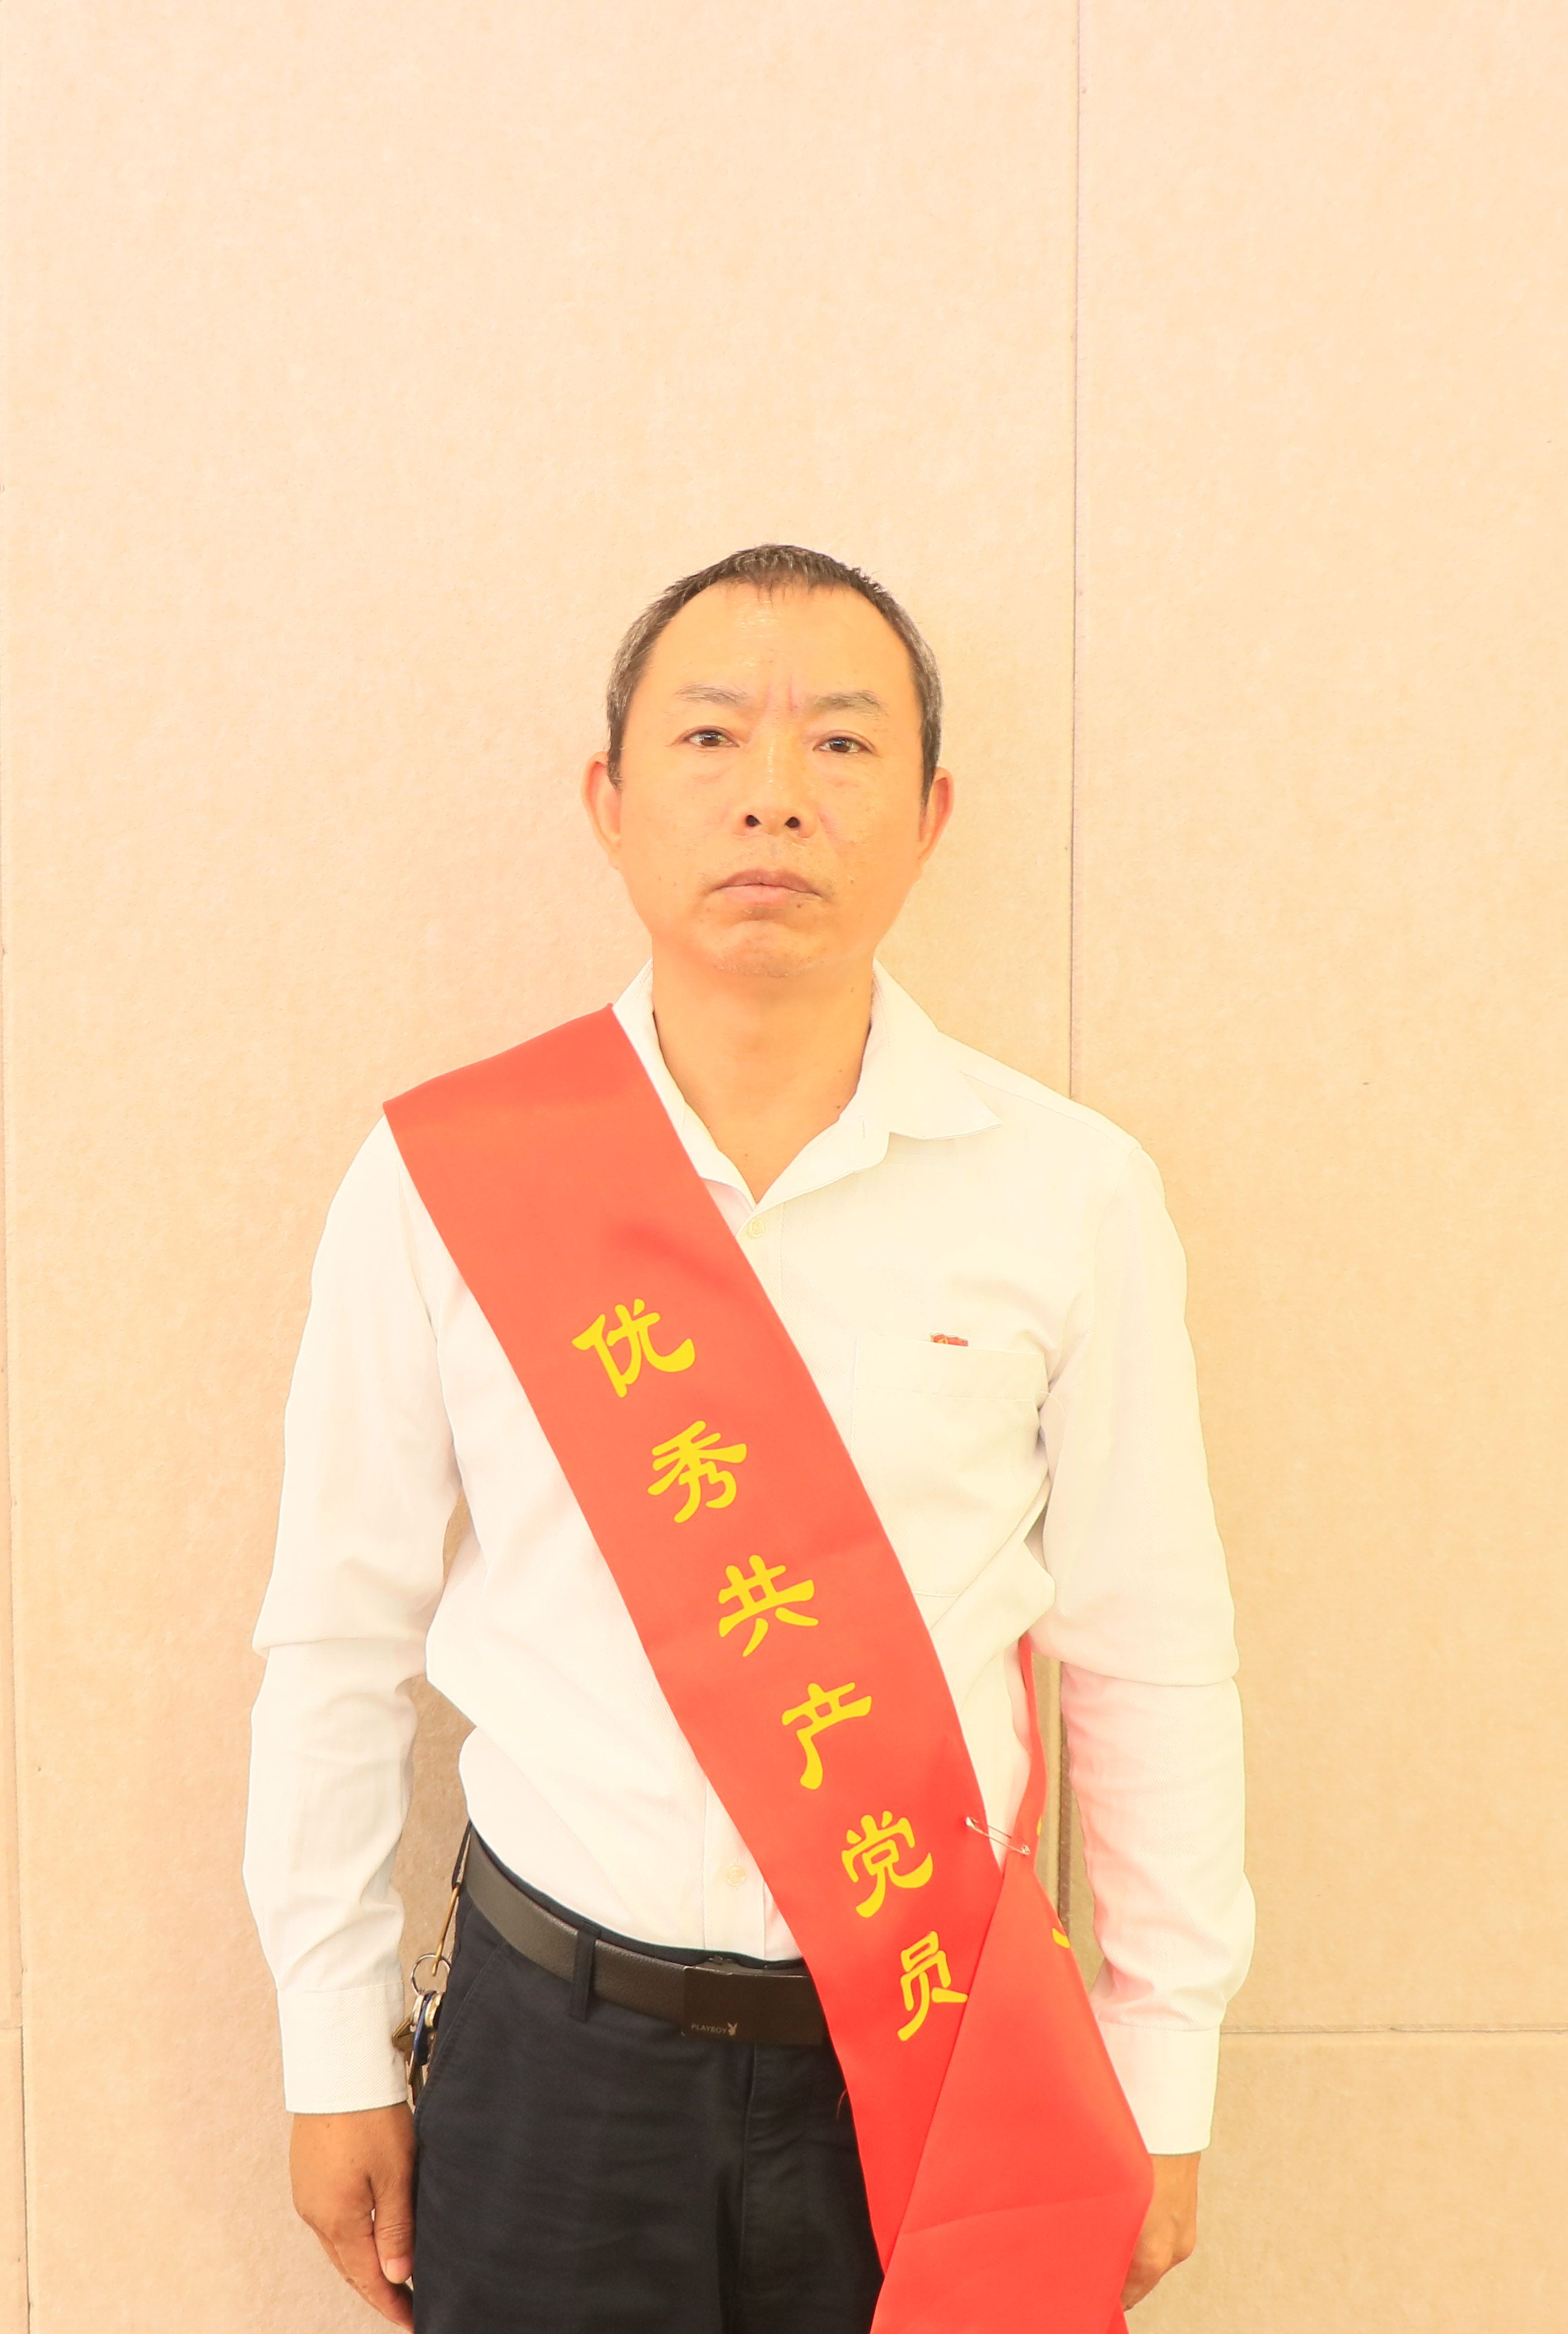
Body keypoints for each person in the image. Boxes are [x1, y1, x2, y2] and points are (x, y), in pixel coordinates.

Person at [242, 543, 1253, 2331]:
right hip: (552, 2064)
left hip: (938, 2054)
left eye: (843, 744)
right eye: (711, 736)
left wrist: (1162, 2067)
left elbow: (1146, 1653)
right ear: (610, 804)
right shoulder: (447, 1179)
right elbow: (338, 1633)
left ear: (930, 819)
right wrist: (332, 2041)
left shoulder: (1067, 1194)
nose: (775, 793)